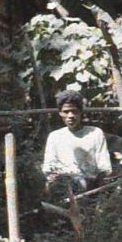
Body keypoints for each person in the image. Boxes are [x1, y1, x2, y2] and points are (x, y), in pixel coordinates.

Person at [41, 90, 113, 225]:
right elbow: (49, 168)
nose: (70, 116)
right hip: (64, 188)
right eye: (66, 112)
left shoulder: (95, 133)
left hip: (90, 188)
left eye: (74, 111)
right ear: (60, 113)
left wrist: (100, 190)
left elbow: (104, 166)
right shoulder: (55, 137)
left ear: (81, 112)